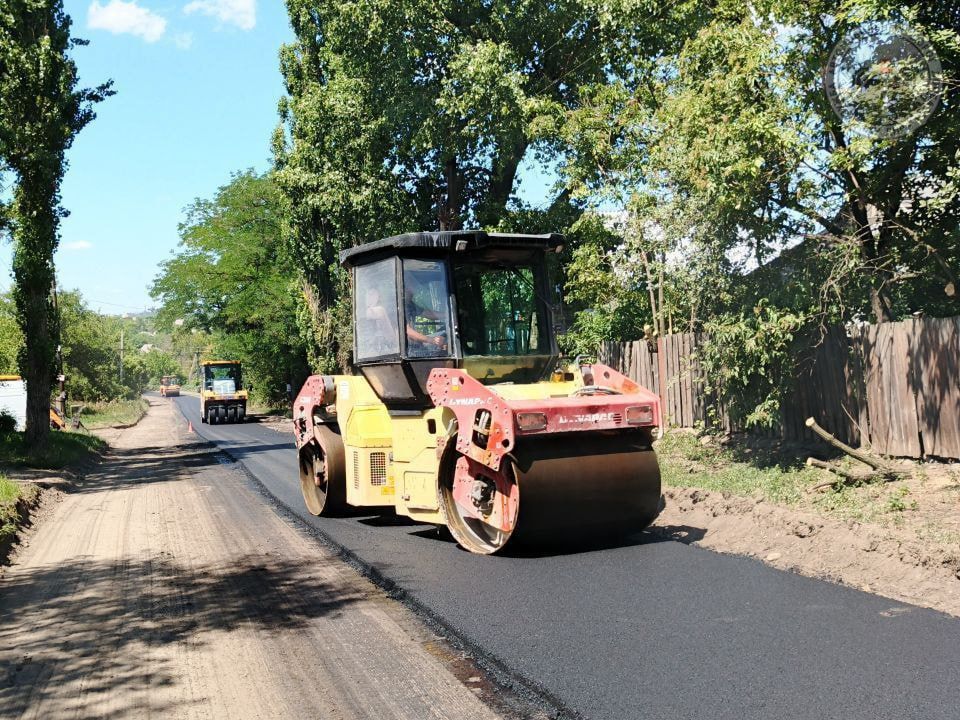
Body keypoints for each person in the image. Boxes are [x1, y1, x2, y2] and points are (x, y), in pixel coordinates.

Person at [404, 280, 447, 354]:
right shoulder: (399, 308)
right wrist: (432, 340)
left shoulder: (410, 305)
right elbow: (408, 331)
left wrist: (448, 315)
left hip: (416, 345)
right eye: (411, 287)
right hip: (407, 349)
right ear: (404, 289)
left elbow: (428, 314)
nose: (413, 291)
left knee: (444, 337)